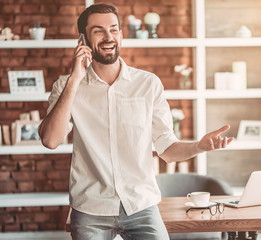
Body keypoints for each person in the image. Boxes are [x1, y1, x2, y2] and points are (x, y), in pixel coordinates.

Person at [38, 4, 234, 240]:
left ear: (121, 34)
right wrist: (76, 78)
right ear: (83, 39)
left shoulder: (148, 84)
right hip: (91, 208)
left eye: (114, 29)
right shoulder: (66, 85)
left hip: (141, 206)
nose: (109, 37)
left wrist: (198, 146)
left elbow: (167, 149)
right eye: (99, 31)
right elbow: (50, 139)